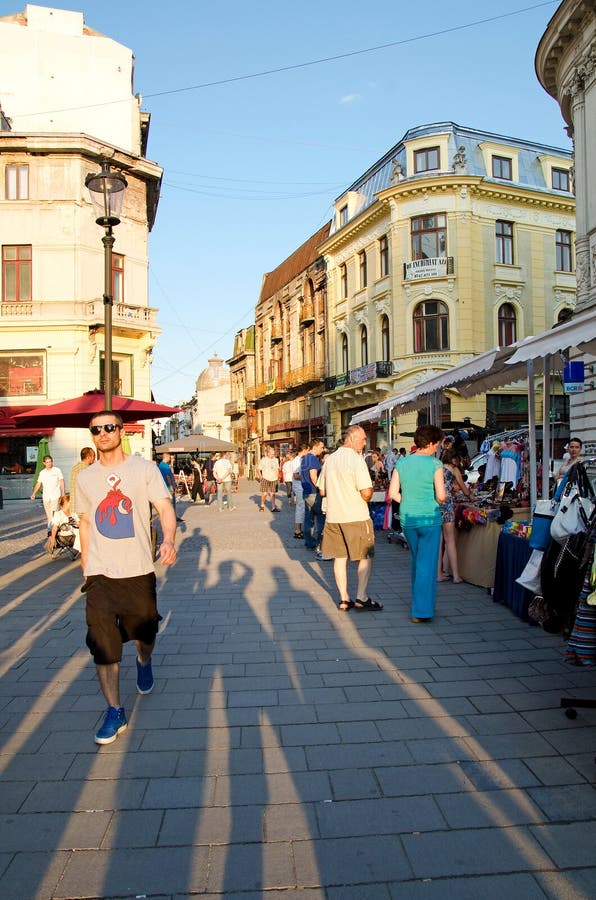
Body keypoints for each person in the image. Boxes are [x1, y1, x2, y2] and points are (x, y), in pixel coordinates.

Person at [77, 410, 177, 746]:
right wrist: (86, 565)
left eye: (108, 427)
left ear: (121, 431)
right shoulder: (85, 478)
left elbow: (164, 508)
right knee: (103, 645)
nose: (102, 433)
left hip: (138, 569)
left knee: (145, 631)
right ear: (91, 436)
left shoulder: (144, 469)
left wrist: (168, 539)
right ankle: (114, 710)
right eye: (96, 429)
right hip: (100, 574)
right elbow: (86, 523)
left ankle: (143, 659)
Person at [318, 425, 381, 612]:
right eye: (363, 440)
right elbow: (367, 492)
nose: (364, 444)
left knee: (340, 557)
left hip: (334, 516)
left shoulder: (330, 460)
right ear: (352, 439)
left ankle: (344, 598)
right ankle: (361, 596)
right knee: (366, 555)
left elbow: (322, 490)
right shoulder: (356, 459)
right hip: (356, 516)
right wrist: (365, 494)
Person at [389, 424, 446, 623]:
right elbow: (441, 496)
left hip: (408, 517)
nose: (437, 448)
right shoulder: (435, 464)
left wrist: (407, 501)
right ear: (430, 443)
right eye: (437, 444)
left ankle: (418, 602)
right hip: (429, 517)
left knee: (416, 560)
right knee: (427, 564)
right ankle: (422, 610)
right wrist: (437, 501)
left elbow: (392, 493)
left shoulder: (402, 463)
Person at [438, 449, 471, 584]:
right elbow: (464, 489)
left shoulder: (437, 467)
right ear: (454, 458)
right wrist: (471, 496)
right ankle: (456, 576)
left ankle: (438, 574)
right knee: (450, 540)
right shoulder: (454, 469)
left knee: (439, 541)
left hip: (436, 504)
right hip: (448, 505)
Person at [300, 438, 325, 551]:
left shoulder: (305, 458)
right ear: (315, 447)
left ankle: (309, 542)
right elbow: (313, 476)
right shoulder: (313, 459)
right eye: (321, 447)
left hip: (306, 492)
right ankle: (319, 543)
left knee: (308, 519)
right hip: (314, 493)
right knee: (320, 518)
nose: (322, 449)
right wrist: (321, 488)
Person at [31, 454, 65, 532]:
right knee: (49, 514)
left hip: (55, 496)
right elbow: (38, 483)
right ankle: (50, 529)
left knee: (54, 513)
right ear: (44, 463)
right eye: (47, 462)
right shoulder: (42, 473)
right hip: (46, 497)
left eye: (50, 462)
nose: (49, 463)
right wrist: (34, 493)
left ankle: (54, 529)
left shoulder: (57, 470)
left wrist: (63, 493)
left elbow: (61, 481)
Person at [70, 447, 96, 518]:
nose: (94, 458)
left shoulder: (75, 468)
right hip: (84, 508)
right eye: (93, 456)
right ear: (88, 457)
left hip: (74, 506)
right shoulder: (88, 469)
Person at [158, 452, 182, 521]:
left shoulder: (160, 465)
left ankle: (172, 517)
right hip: (168, 486)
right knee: (170, 503)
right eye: (169, 457)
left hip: (164, 486)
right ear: (166, 457)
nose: (169, 459)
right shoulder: (165, 466)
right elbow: (168, 476)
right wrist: (171, 486)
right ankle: (171, 518)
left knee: (168, 503)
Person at [257, 445, 281, 512]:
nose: (273, 455)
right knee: (264, 494)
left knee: (272, 494)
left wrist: (277, 477)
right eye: (272, 454)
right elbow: (258, 469)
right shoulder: (263, 460)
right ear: (268, 453)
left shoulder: (276, 460)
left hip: (274, 479)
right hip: (265, 478)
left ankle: (273, 507)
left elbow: (277, 469)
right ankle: (262, 505)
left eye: (273, 454)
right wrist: (261, 477)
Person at [292, 443, 308, 538]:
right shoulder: (296, 461)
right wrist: (306, 477)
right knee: (300, 507)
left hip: (301, 486)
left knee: (302, 507)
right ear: (304, 450)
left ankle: (300, 529)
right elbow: (295, 475)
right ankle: (297, 530)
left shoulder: (301, 459)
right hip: (299, 487)